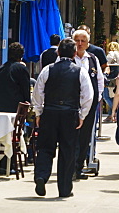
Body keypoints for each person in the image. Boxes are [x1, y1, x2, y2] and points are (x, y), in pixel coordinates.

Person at [31, 38, 93, 198]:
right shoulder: (80, 72)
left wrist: (38, 112)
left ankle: (41, 176)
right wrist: (82, 115)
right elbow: (88, 96)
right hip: (69, 112)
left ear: (58, 52)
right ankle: (65, 188)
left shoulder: (47, 70)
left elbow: (38, 92)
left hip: (50, 111)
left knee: (45, 147)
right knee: (68, 150)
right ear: (74, 54)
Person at [71, 30, 105, 180]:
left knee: (85, 138)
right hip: (71, 105)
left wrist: (97, 98)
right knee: (71, 137)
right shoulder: (68, 59)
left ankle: (78, 168)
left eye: (82, 41)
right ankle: (70, 167)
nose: (79, 44)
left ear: (87, 43)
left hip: (89, 106)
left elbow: (99, 80)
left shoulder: (92, 59)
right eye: (77, 40)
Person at [0, 42, 32, 113]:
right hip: (14, 108)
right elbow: (25, 89)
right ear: (21, 56)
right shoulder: (21, 69)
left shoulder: (1, 69)